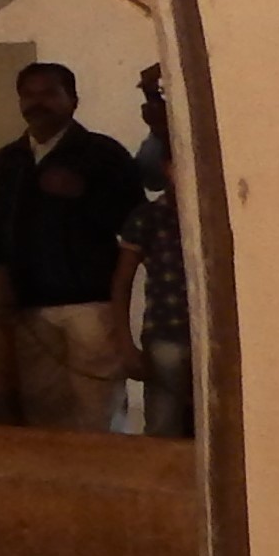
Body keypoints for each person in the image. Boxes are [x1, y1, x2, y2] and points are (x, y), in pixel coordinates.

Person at [0, 59, 147, 429]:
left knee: (98, 408)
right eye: (28, 95)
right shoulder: (8, 160)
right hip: (28, 305)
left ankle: (102, 484)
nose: (37, 103)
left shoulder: (103, 154)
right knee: (41, 407)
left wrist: (84, 194)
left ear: (72, 100)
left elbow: (136, 222)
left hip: (91, 301)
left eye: (48, 93)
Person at [118, 63, 195, 437]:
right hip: (167, 331)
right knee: (164, 430)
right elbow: (122, 279)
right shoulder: (151, 216)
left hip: (189, 333)